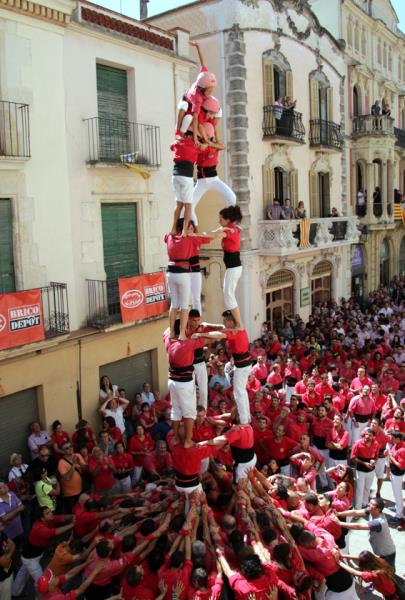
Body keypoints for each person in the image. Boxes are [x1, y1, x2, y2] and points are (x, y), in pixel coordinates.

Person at [193, 311, 251, 424]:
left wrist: (201, 335)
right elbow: (220, 327)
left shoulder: (234, 331)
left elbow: (219, 335)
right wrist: (207, 324)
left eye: (225, 320)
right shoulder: (236, 328)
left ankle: (244, 421)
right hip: (242, 365)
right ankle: (246, 417)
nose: (223, 322)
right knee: (241, 392)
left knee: (239, 393)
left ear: (230, 321)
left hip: (242, 367)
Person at [12, 507, 74, 596]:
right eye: (48, 513)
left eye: (50, 511)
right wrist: (72, 524)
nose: (51, 513)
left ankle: (15, 592)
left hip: (31, 555)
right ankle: (41, 597)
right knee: (42, 582)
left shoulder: (48, 520)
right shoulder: (39, 528)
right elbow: (55, 532)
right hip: (30, 559)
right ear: (42, 518)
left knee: (23, 573)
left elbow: (62, 518)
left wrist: (72, 516)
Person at [191, 119, 235, 227]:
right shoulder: (198, 146)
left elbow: (223, 146)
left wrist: (209, 144)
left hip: (214, 179)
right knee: (190, 205)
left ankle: (228, 223)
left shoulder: (214, 146)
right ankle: (194, 227)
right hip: (201, 182)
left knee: (232, 198)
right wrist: (202, 144)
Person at [336, 497, 396, 568]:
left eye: (371, 504)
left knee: (388, 574)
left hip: (387, 554)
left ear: (378, 509)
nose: (368, 505)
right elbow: (355, 512)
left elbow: (359, 526)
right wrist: (338, 513)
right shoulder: (372, 510)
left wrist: (339, 523)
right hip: (381, 551)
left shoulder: (379, 522)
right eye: (369, 503)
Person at [176, 40, 217, 142]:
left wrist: (198, 47)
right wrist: (195, 138)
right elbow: (195, 118)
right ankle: (178, 132)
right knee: (187, 113)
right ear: (202, 88)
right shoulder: (197, 97)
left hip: (193, 106)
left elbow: (202, 63)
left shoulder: (204, 77)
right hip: (186, 101)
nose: (211, 92)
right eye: (209, 90)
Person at [215, 205, 243, 328]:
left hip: (233, 267)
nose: (219, 221)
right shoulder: (232, 228)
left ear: (228, 220)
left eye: (221, 219)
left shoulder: (230, 230)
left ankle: (239, 324)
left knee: (229, 296)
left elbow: (215, 235)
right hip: (233, 267)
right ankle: (237, 323)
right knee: (228, 295)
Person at [351, 427, 379, 509]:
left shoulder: (376, 444)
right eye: (366, 434)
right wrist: (364, 463)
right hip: (360, 470)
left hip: (371, 470)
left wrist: (374, 462)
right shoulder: (358, 443)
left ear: (373, 437)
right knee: (360, 489)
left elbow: (376, 456)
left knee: (367, 488)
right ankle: (358, 508)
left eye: (369, 435)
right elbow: (353, 457)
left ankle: (365, 504)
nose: (367, 436)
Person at [57, 441, 85, 513]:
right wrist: (73, 464)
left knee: (83, 511)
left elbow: (85, 469)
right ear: (63, 451)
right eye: (67, 448)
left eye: (71, 446)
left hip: (81, 490)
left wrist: (82, 463)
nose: (70, 449)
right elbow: (67, 477)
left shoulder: (77, 455)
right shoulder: (61, 462)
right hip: (70, 495)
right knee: (74, 514)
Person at [387, 431, 405, 524]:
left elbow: (401, 465)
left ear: (398, 439)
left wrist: (391, 457)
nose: (391, 439)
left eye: (393, 438)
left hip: (397, 475)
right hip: (393, 473)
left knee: (398, 495)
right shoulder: (396, 445)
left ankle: (399, 516)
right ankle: (397, 507)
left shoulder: (402, 449)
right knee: (395, 493)